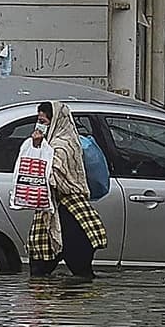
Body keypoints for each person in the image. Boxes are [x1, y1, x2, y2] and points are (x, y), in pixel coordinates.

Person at [26, 101, 108, 279]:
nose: (40, 125)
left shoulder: (64, 145)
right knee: (39, 267)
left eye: (44, 121)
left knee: (80, 269)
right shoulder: (48, 144)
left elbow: (54, 178)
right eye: (38, 120)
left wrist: (39, 149)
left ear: (56, 120)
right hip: (51, 211)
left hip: (70, 211)